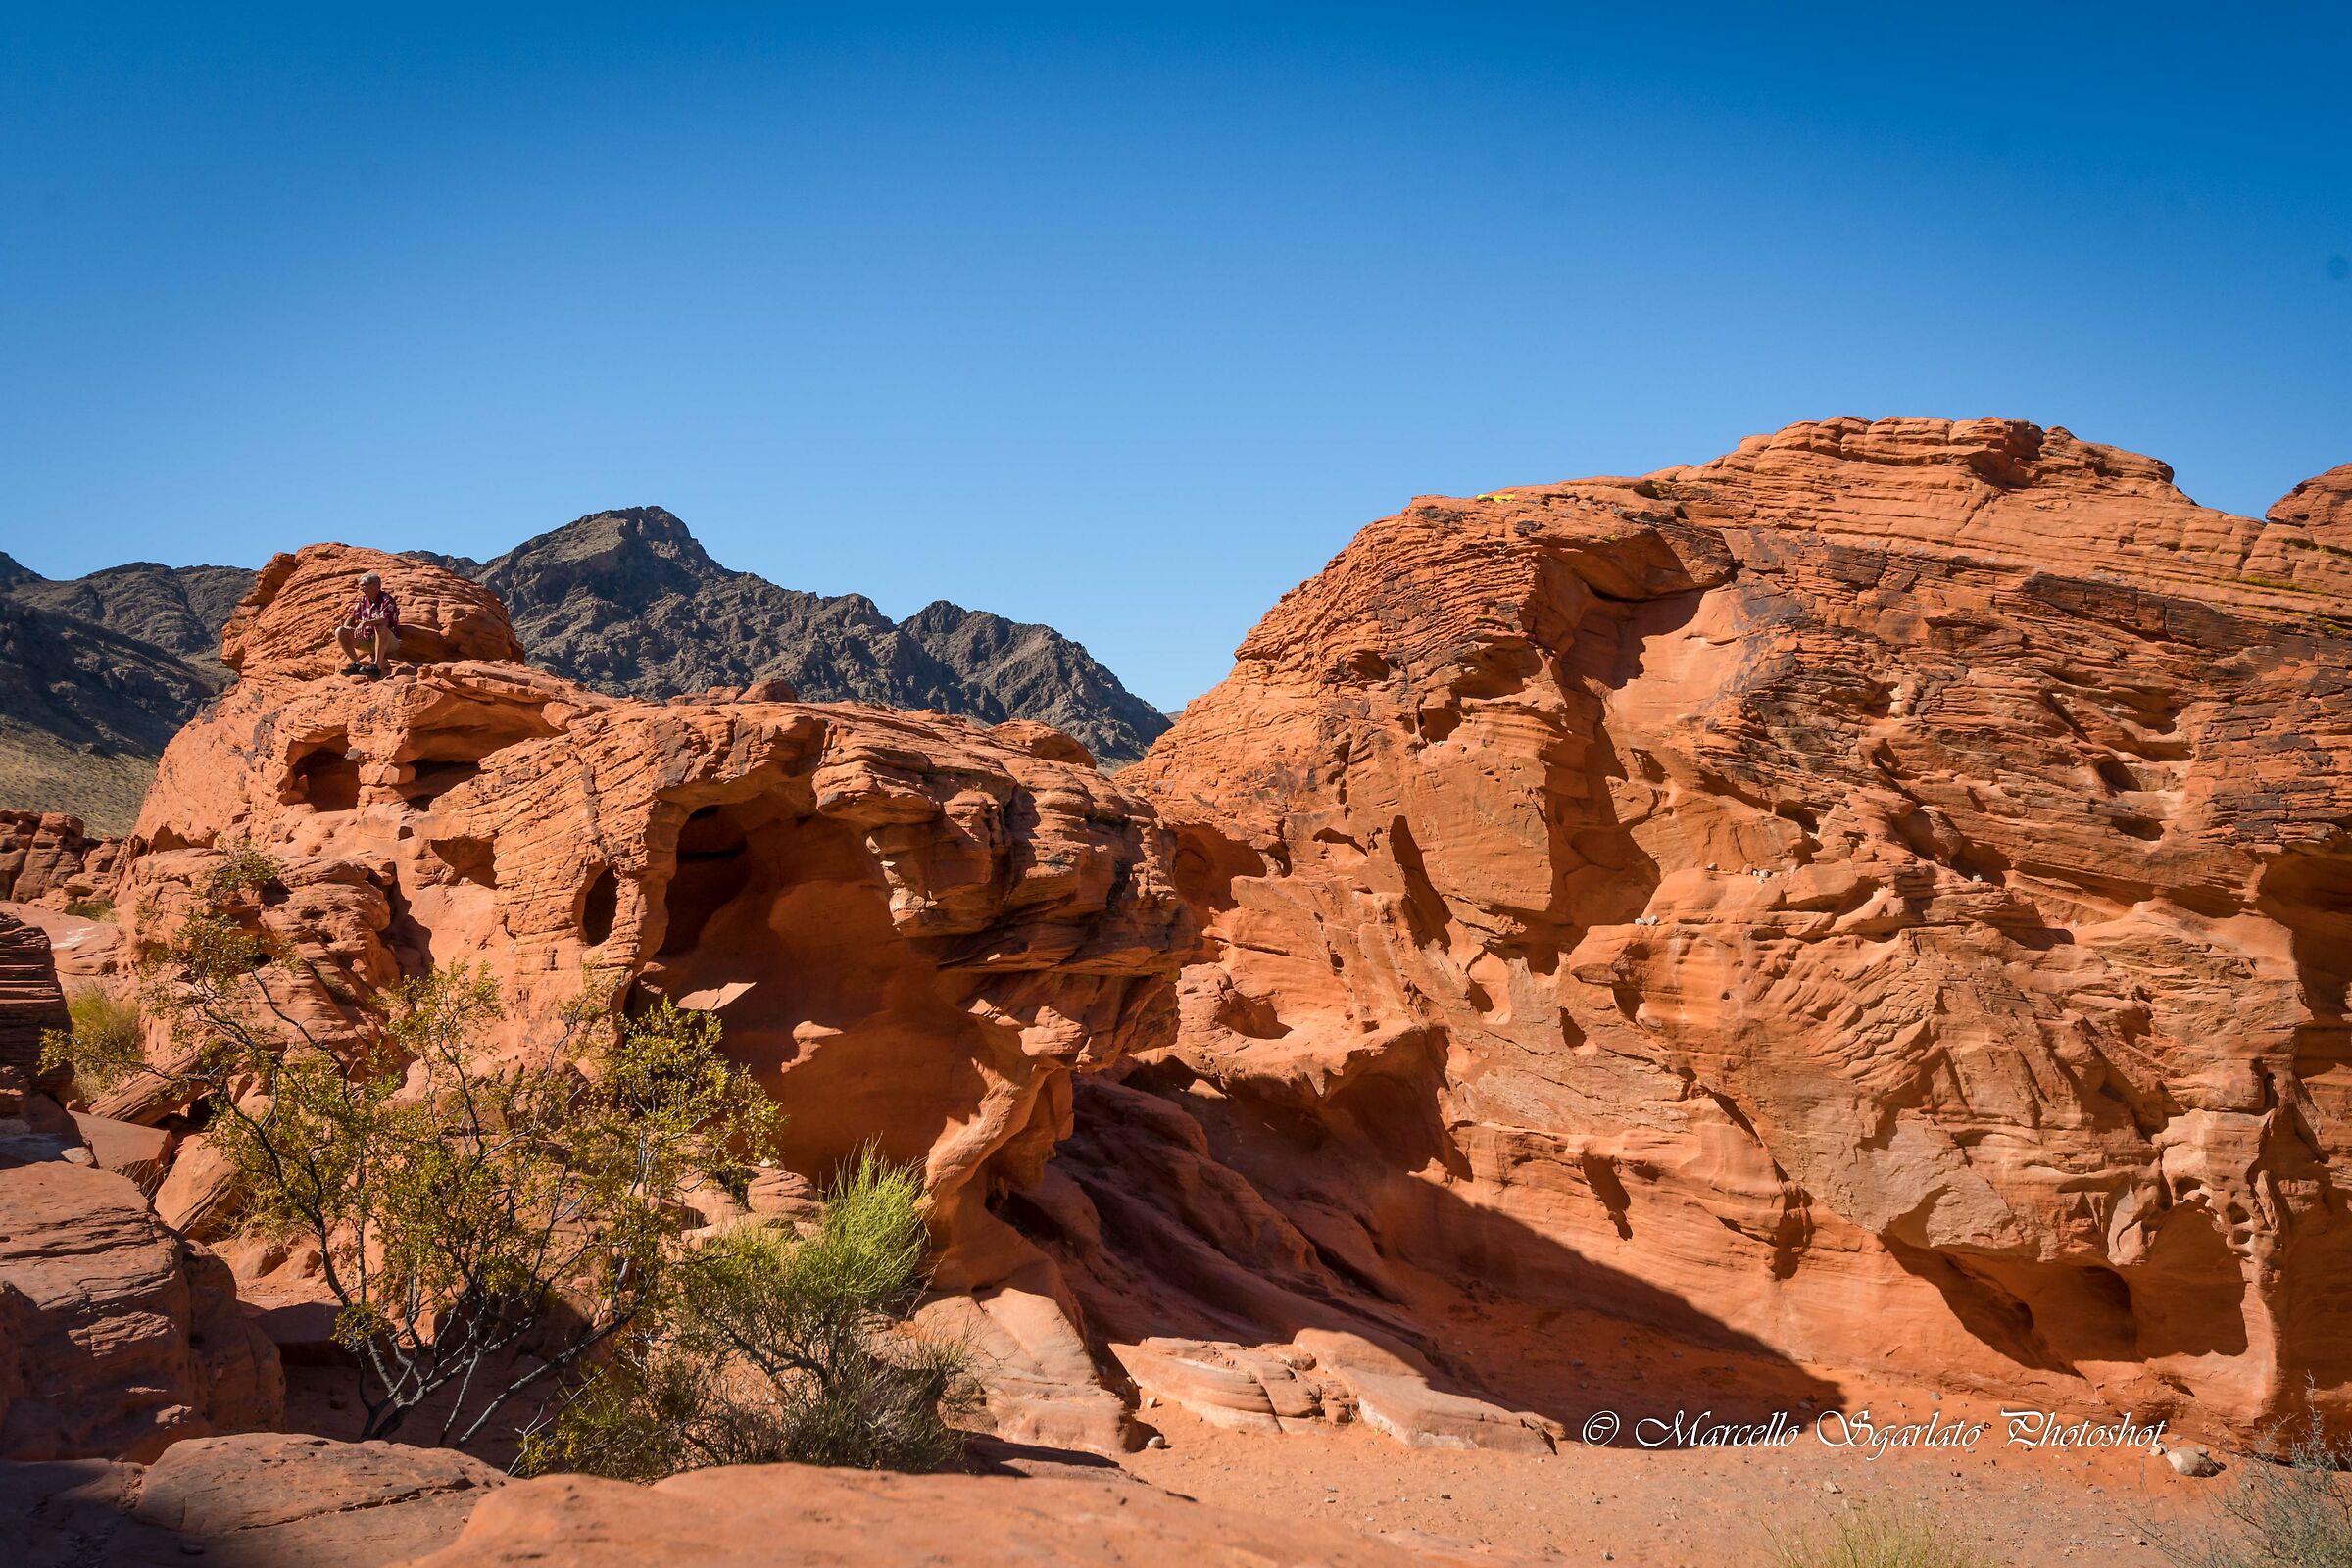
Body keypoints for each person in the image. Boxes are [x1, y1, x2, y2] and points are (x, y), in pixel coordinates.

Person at [336, 571, 402, 677]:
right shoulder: (363, 600)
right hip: (368, 640)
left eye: (363, 585)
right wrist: (346, 627)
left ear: (375, 586)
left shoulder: (387, 600)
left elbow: (386, 620)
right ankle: (356, 664)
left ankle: (377, 667)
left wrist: (365, 623)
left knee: (380, 627)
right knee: (340, 631)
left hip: (387, 642)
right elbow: (352, 617)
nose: (361, 589)